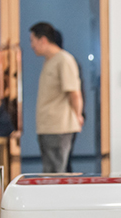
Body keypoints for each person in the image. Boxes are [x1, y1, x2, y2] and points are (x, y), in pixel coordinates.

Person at [29, 21, 83, 173]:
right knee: (49, 172)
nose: (32, 45)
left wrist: (77, 115)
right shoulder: (49, 61)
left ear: (43, 40)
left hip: (59, 128)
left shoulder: (64, 60)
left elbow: (74, 93)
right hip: (47, 127)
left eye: (32, 40)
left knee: (56, 173)